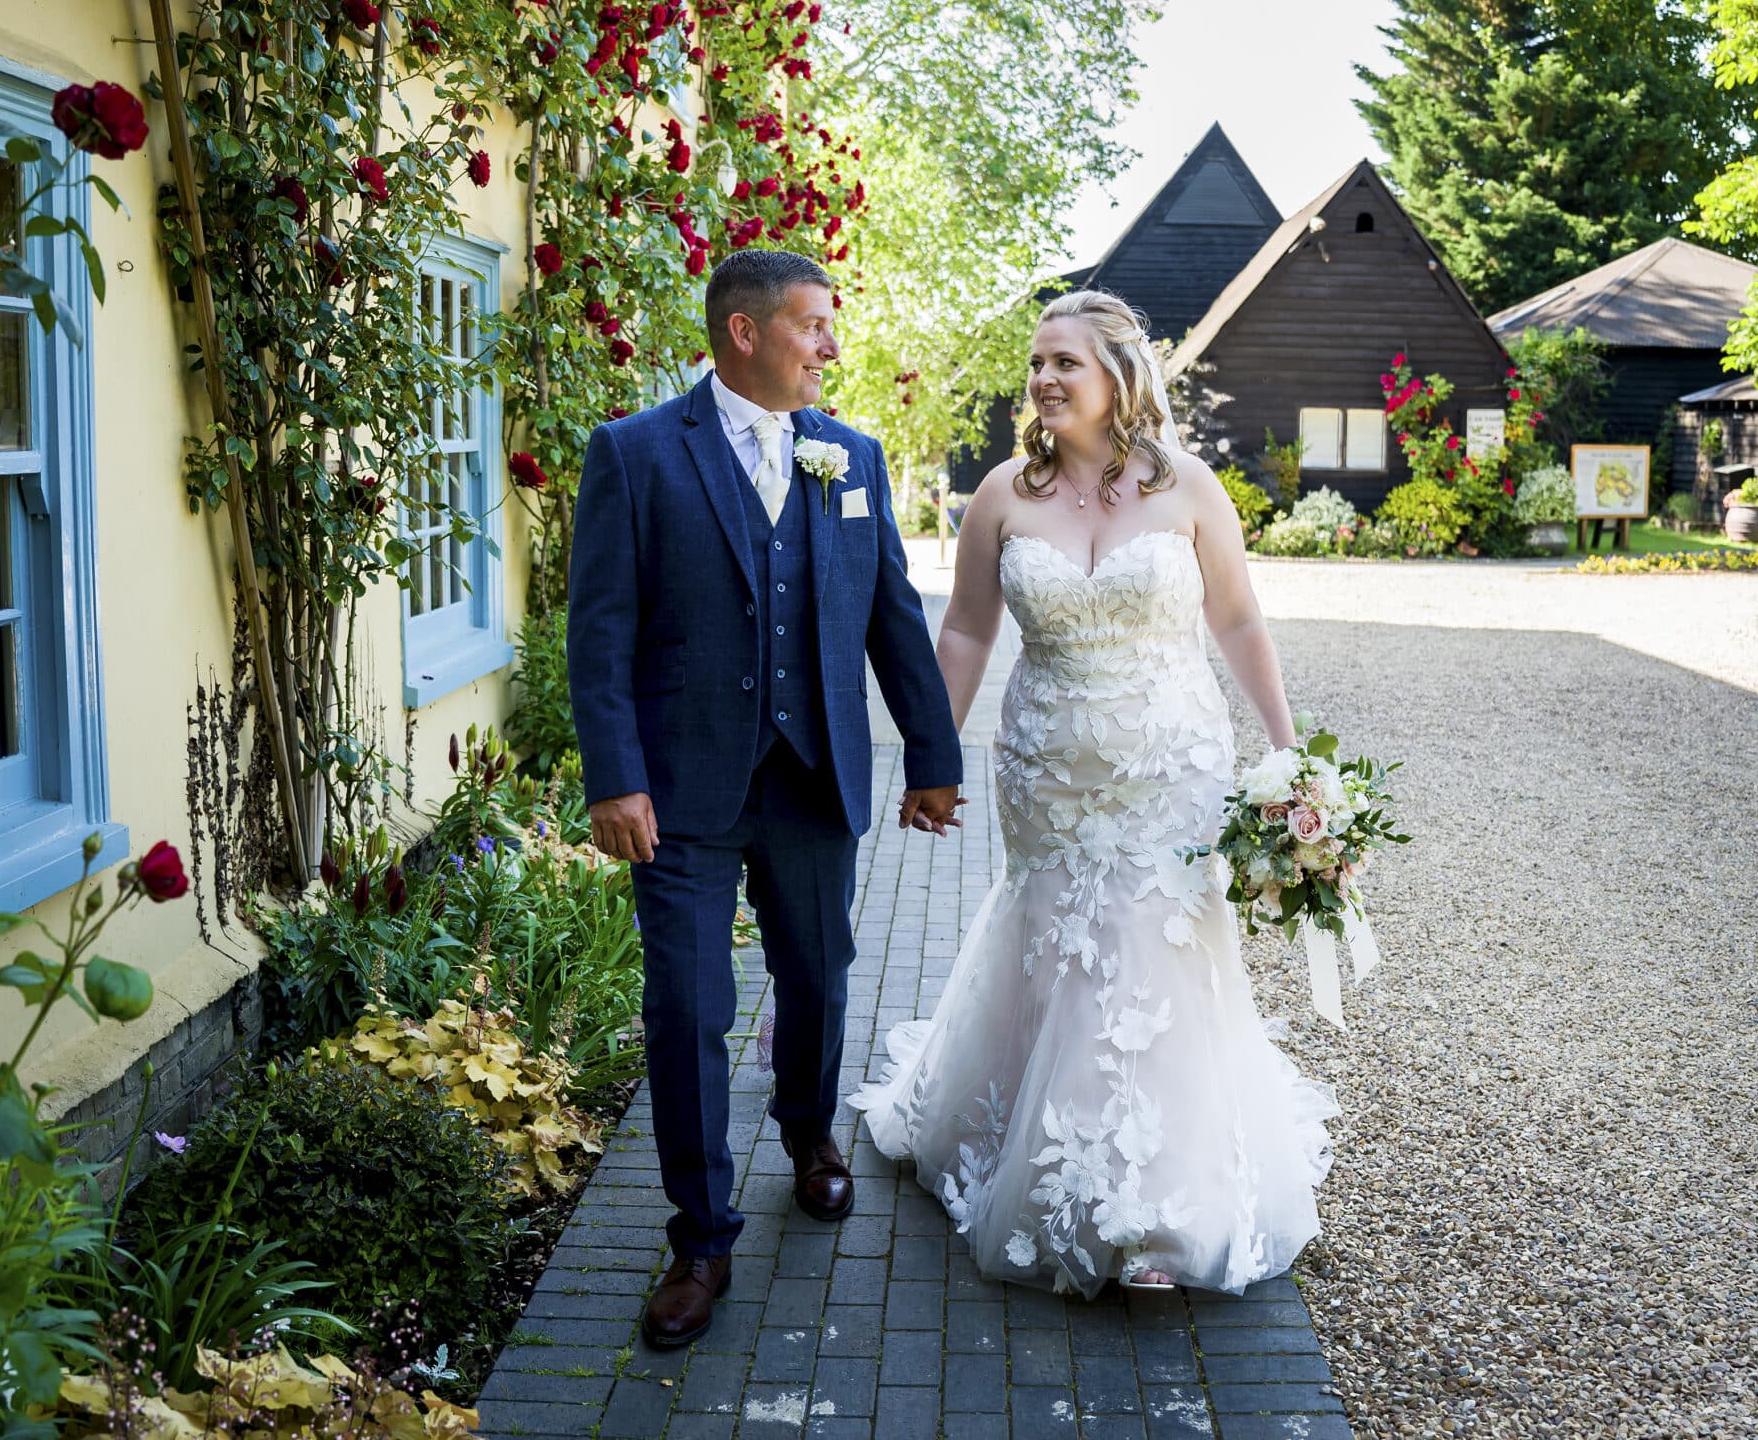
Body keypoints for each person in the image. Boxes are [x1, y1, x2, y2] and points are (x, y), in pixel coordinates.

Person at [848, 288, 1337, 1294]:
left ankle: (1155, 1209)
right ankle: (1040, 1152)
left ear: (1120, 374)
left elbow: (1240, 623)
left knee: (1155, 948)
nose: (1042, 379)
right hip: (1047, 772)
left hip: (1171, 772)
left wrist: (1290, 756)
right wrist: (928, 753)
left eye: (1063, 361)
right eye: (1036, 362)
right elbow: (970, 631)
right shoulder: (1000, 494)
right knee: (1062, 945)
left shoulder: (1191, 487)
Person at [567, 249, 966, 1348]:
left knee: (820, 974)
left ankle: (810, 1135)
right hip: (681, 791)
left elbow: (891, 609)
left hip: (813, 774)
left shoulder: (852, 458)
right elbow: (597, 631)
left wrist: (933, 755)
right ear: (743, 333)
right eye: (813, 325)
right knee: (688, 1009)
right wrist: (616, 777)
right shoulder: (637, 453)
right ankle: (700, 1234)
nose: (831, 347)